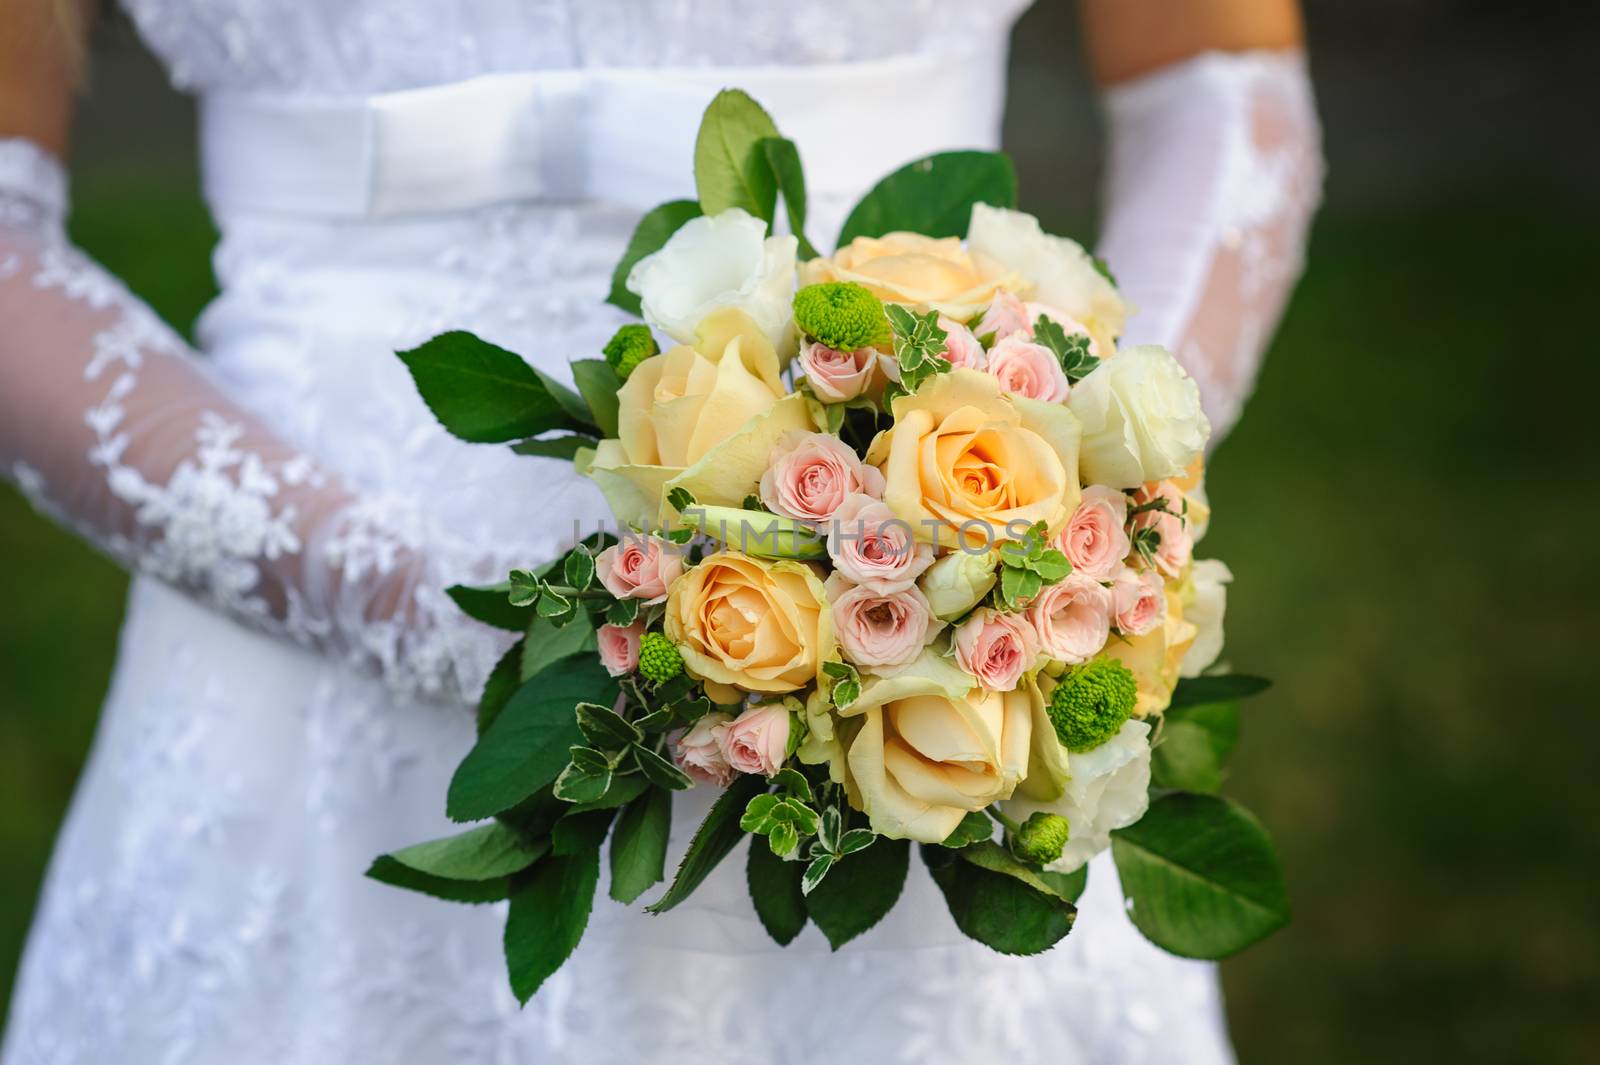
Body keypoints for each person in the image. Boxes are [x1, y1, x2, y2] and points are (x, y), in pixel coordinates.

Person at [0, 1, 1321, 1061]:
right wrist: (415, 604)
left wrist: (1088, 481)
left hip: (920, 674)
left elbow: (1217, 83)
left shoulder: (970, 590)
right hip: (295, 684)